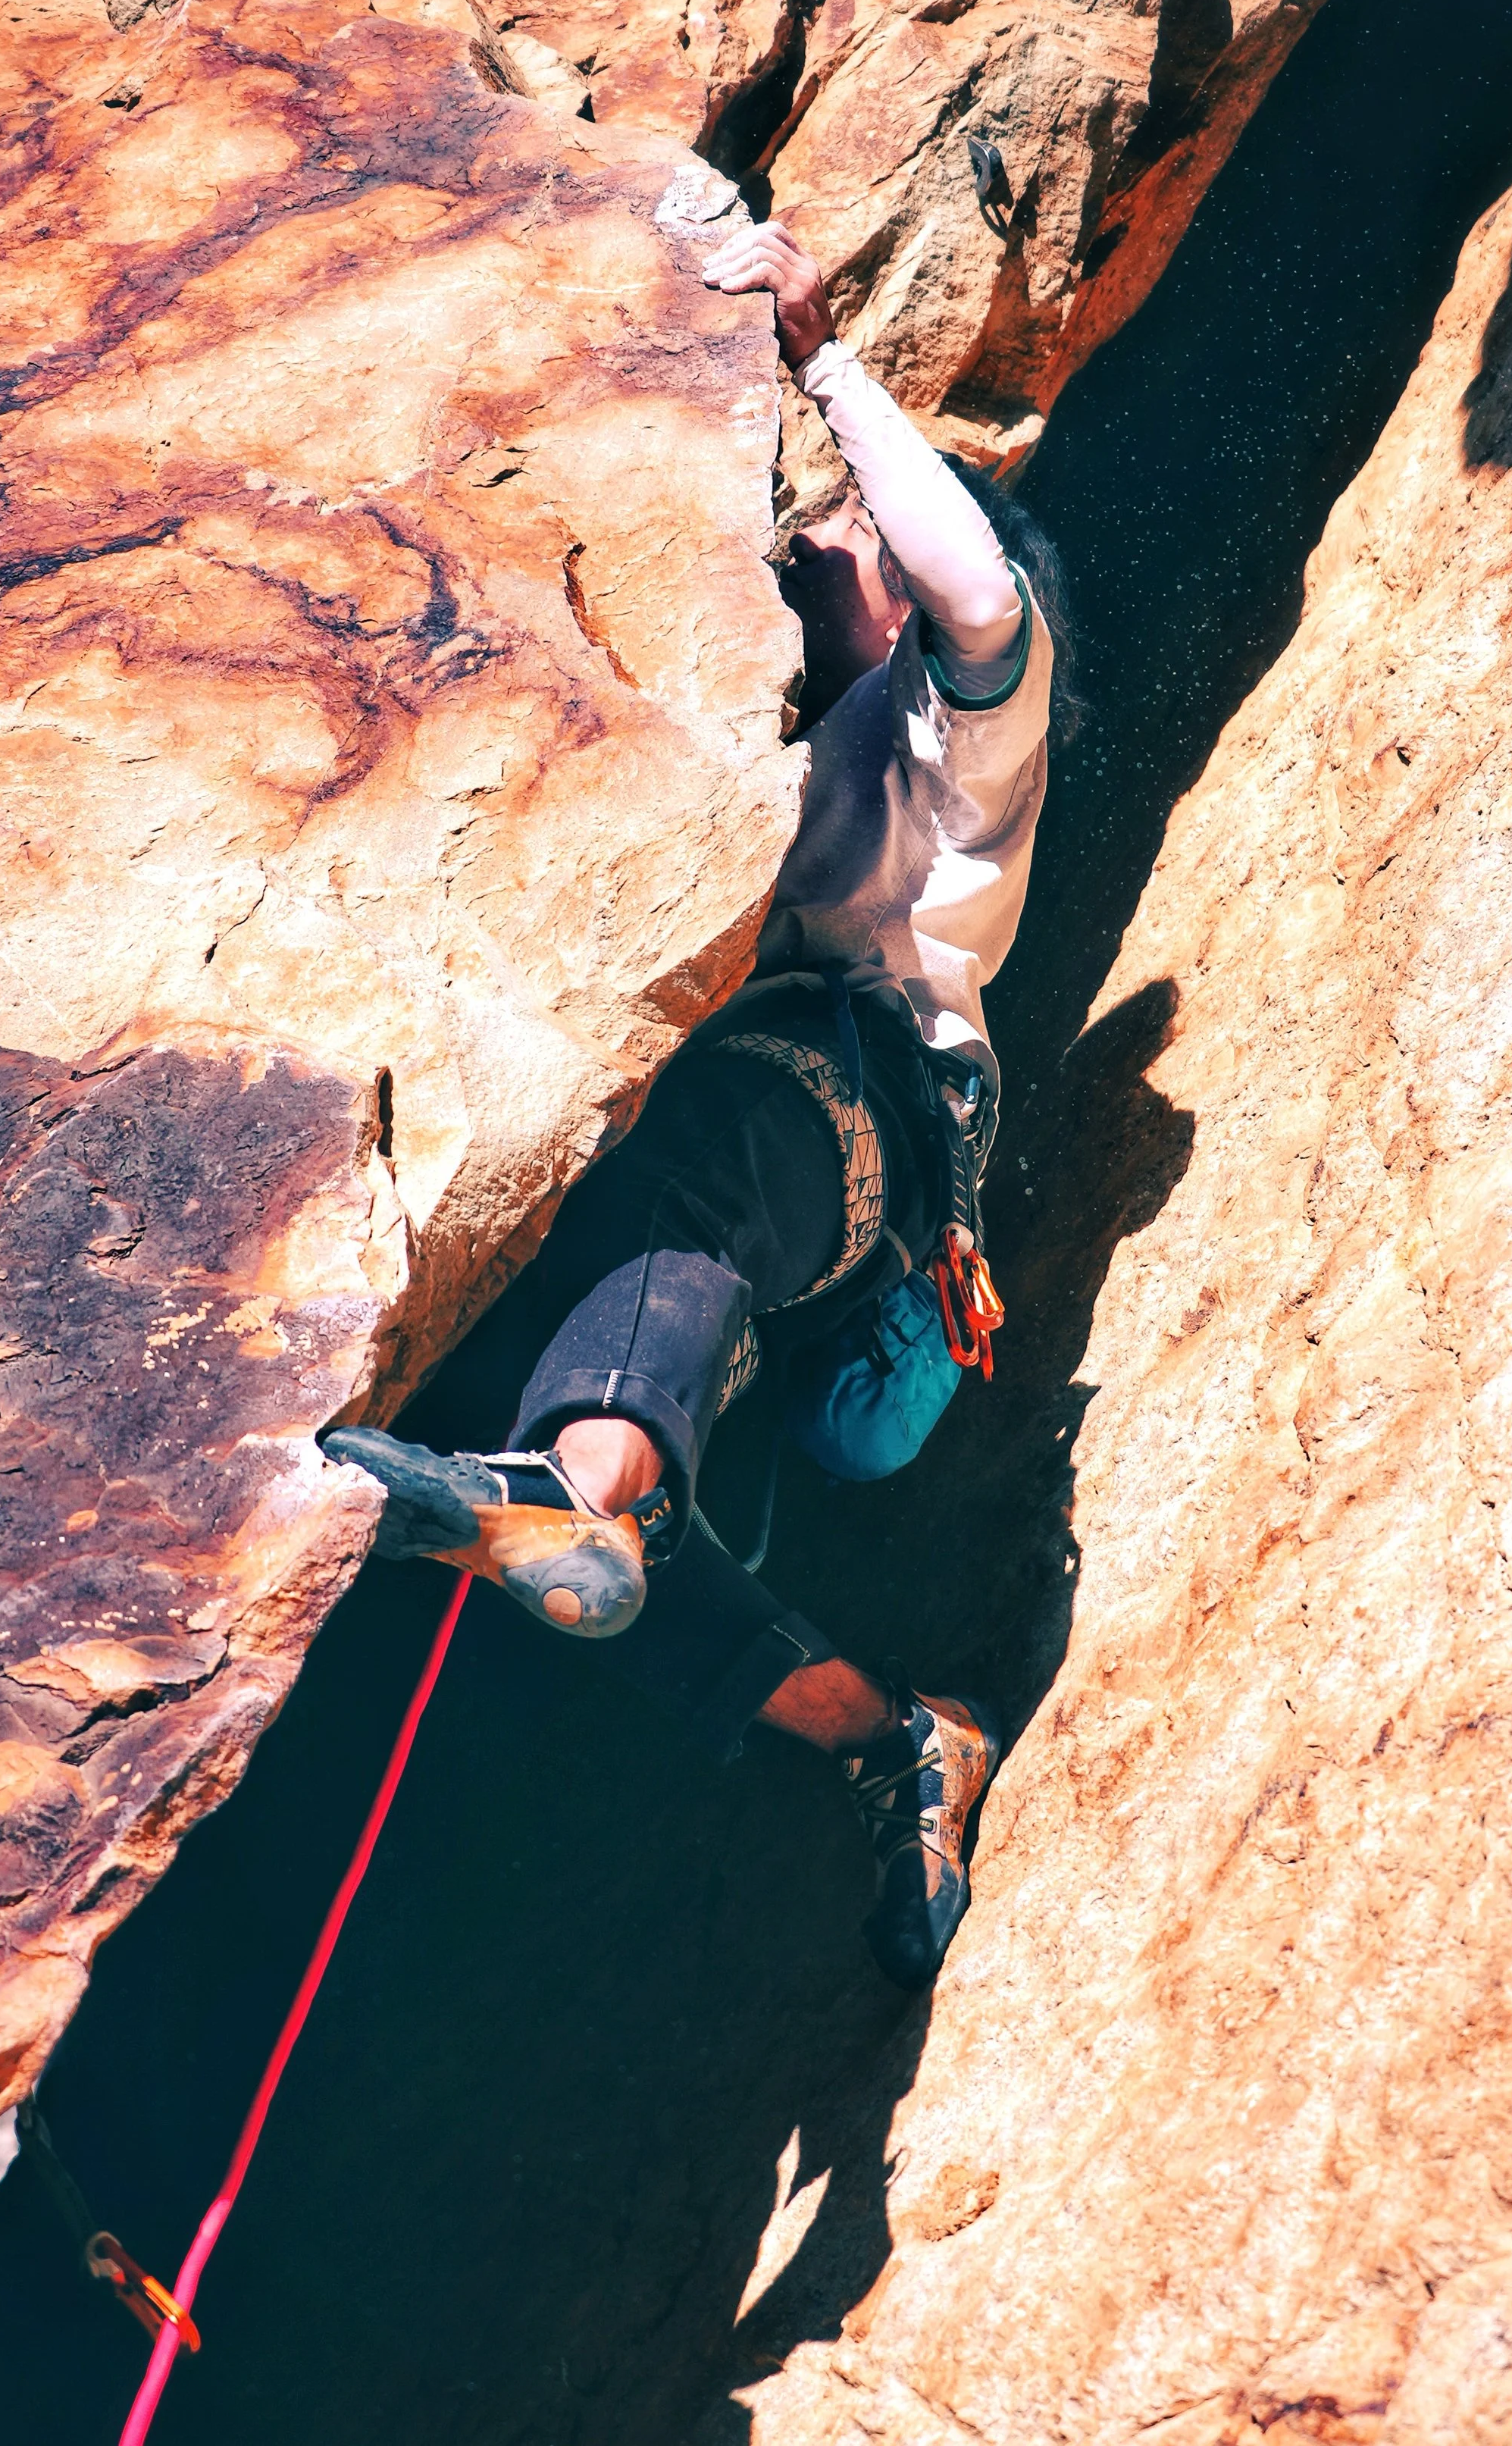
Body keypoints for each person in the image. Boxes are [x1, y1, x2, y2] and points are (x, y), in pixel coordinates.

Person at [327, 223, 1060, 1989]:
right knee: (607, 1528)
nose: (818, 528)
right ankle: (899, 1733)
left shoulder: (962, 734)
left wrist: (824, 358)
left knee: (707, 1157)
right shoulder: (792, 733)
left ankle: (570, 1484)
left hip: (865, 1124)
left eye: (845, 527)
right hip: (823, 1236)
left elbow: (968, 579)